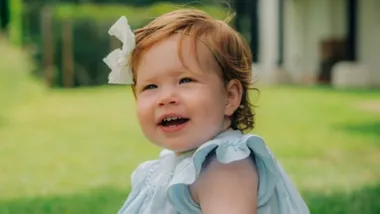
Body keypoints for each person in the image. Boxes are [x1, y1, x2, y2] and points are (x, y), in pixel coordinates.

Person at [103, 8, 310, 214]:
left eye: (185, 80)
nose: (165, 98)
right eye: (150, 87)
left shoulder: (225, 166)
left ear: (229, 97)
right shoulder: (174, 165)